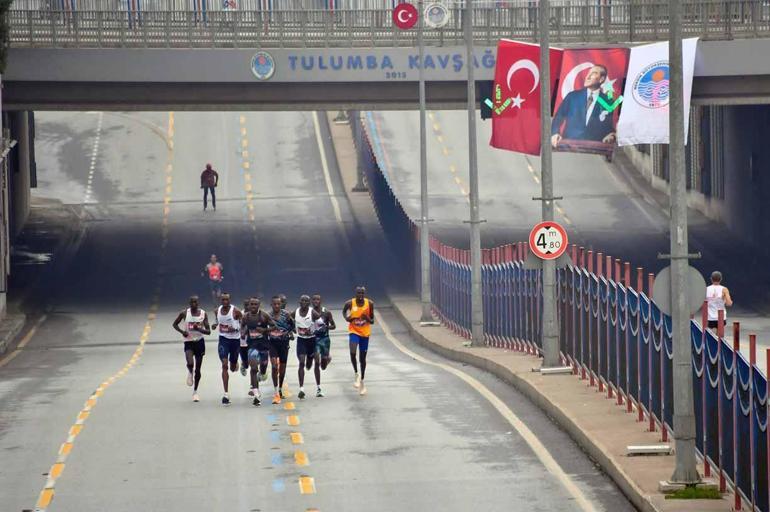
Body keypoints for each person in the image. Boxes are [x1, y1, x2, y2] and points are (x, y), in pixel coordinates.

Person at [551, 64, 616, 147]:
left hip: (593, 149)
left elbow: (607, 125)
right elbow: (558, 118)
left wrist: (612, 134)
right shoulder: (572, 97)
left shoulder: (608, 101)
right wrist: (555, 133)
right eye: (588, 73)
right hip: (568, 146)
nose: (587, 76)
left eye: (593, 73)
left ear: (601, 79)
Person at [172, 296, 211, 402]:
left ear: (198, 303)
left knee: (198, 369)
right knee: (190, 363)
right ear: (189, 303)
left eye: (195, 302)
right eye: (192, 302)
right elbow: (174, 324)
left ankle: (195, 392)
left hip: (199, 342)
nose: (194, 304)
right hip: (188, 342)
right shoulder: (184, 313)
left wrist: (199, 329)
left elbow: (208, 331)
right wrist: (182, 332)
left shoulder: (203, 314)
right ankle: (190, 371)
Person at [211, 293, 243, 405]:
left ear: (230, 300)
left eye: (227, 300)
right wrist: (215, 325)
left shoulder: (236, 311)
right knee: (224, 365)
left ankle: (235, 362)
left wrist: (235, 328)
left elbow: (243, 324)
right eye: (223, 300)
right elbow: (217, 321)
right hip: (223, 340)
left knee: (232, 367)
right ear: (220, 300)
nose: (225, 302)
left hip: (235, 340)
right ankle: (226, 394)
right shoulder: (217, 311)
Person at [342, 286, 374, 396]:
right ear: (355, 294)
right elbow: (344, 312)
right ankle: (356, 373)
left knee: (362, 358)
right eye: (358, 294)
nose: (360, 296)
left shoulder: (369, 303)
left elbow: (372, 320)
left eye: (362, 294)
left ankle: (362, 380)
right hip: (354, 331)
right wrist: (347, 318)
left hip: (365, 333)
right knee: (353, 352)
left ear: (364, 294)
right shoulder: (349, 303)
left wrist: (367, 318)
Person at [241, 298, 274, 406]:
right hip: (252, 346)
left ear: (259, 305)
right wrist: (243, 333)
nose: (253, 306)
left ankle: (263, 373)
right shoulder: (245, 316)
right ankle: (256, 393)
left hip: (264, 346)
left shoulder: (264, 315)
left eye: (256, 304)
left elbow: (274, 326)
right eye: (251, 304)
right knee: (253, 368)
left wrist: (264, 330)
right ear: (249, 305)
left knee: (263, 368)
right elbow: (243, 327)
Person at [290, 295, 324, 400]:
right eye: (302, 301)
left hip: (312, 341)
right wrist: (292, 329)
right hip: (301, 341)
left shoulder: (313, 312)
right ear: (299, 302)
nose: (304, 302)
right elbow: (288, 321)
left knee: (316, 362)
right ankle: (301, 389)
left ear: (309, 303)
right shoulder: (295, 312)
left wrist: (314, 331)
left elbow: (322, 326)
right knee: (301, 363)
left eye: (306, 301)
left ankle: (319, 388)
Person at [267, 296, 294, 404]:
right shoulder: (268, 315)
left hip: (284, 343)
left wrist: (288, 333)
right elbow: (264, 328)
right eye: (275, 304)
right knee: (274, 367)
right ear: (271, 305)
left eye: (278, 304)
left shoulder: (286, 314)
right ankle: (275, 391)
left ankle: (280, 388)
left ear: (281, 304)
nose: (277, 306)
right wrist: (269, 331)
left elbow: (293, 326)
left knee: (282, 369)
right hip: (272, 343)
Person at [309, 294, 336, 397]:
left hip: (325, 340)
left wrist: (327, 327)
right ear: (312, 301)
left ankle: (327, 358)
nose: (316, 301)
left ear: (321, 301)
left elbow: (334, 326)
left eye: (318, 299)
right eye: (314, 299)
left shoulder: (327, 312)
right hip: (314, 339)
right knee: (316, 361)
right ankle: (318, 388)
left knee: (323, 365)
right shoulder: (309, 313)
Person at [239, 299, 250, 376]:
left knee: (254, 358)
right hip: (242, 341)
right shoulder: (240, 314)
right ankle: (243, 364)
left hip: (252, 340)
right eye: (245, 305)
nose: (247, 307)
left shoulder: (255, 314)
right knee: (246, 364)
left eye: (248, 305)